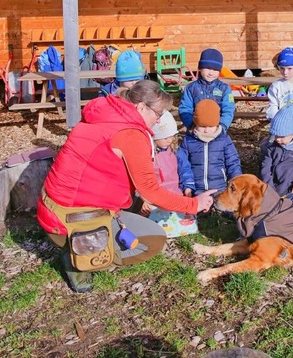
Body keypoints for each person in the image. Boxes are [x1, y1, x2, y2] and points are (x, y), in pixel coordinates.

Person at [37, 80, 216, 293]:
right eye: (158, 114)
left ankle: (84, 243)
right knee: (153, 241)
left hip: (51, 206)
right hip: (70, 221)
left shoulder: (104, 113)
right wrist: (193, 204)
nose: (158, 120)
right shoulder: (131, 134)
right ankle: (80, 256)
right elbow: (152, 190)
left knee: (137, 204)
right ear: (141, 107)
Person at [143, 111, 199, 237]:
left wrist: (188, 187)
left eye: (172, 136)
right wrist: (143, 198)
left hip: (176, 193)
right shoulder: (147, 153)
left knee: (186, 219)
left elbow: (185, 169)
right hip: (156, 197)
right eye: (165, 137)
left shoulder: (176, 150)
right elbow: (143, 178)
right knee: (152, 222)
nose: (170, 140)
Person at [177, 99, 242, 196]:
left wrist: (236, 182)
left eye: (210, 126)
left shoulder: (224, 140)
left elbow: (233, 163)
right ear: (196, 124)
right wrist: (188, 185)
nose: (206, 131)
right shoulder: (188, 141)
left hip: (220, 189)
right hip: (196, 189)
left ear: (217, 124)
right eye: (202, 126)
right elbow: (183, 165)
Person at [178, 48, 235, 131]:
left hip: (216, 130)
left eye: (215, 70)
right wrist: (191, 126)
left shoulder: (224, 89)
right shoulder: (190, 89)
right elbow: (185, 109)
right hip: (196, 130)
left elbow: (228, 110)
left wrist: (222, 127)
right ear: (200, 68)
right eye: (208, 68)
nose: (211, 73)